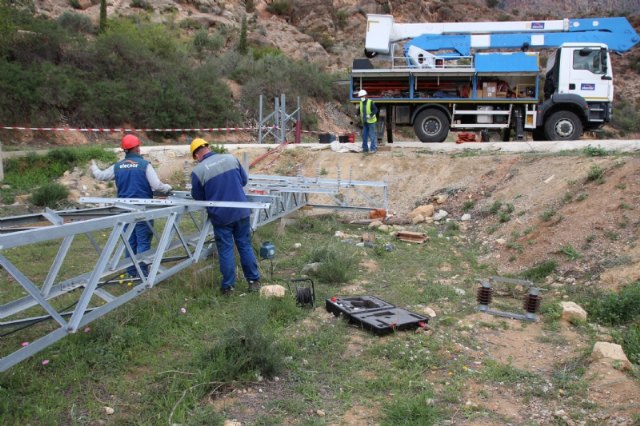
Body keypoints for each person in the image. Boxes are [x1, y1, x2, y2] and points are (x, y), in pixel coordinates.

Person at [91, 134, 172, 278]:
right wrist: (167, 188)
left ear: (125, 150)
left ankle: (131, 272)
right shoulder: (144, 165)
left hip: (124, 210)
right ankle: (143, 274)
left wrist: (93, 167)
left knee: (130, 241)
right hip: (142, 208)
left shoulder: (117, 166)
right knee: (143, 240)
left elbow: (100, 176)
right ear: (137, 148)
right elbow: (156, 185)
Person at [189, 138, 260, 296]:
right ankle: (253, 281)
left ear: (196, 155)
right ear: (208, 147)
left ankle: (228, 287)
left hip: (221, 216)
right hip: (241, 211)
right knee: (244, 245)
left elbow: (197, 196)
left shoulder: (199, 171)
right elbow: (243, 180)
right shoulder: (230, 158)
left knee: (226, 249)